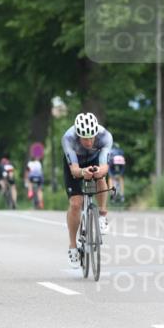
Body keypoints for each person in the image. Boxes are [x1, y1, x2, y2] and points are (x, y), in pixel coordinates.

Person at [62, 112, 113, 267]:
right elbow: (75, 170)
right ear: (78, 135)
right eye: (84, 138)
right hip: (75, 163)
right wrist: (84, 172)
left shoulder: (105, 137)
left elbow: (105, 166)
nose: (89, 142)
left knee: (101, 178)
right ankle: (72, 246)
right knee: (76, 203)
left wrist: (99, 171)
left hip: (95, 159)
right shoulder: (68, 138)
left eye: (92, 137)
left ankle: (102, 215)